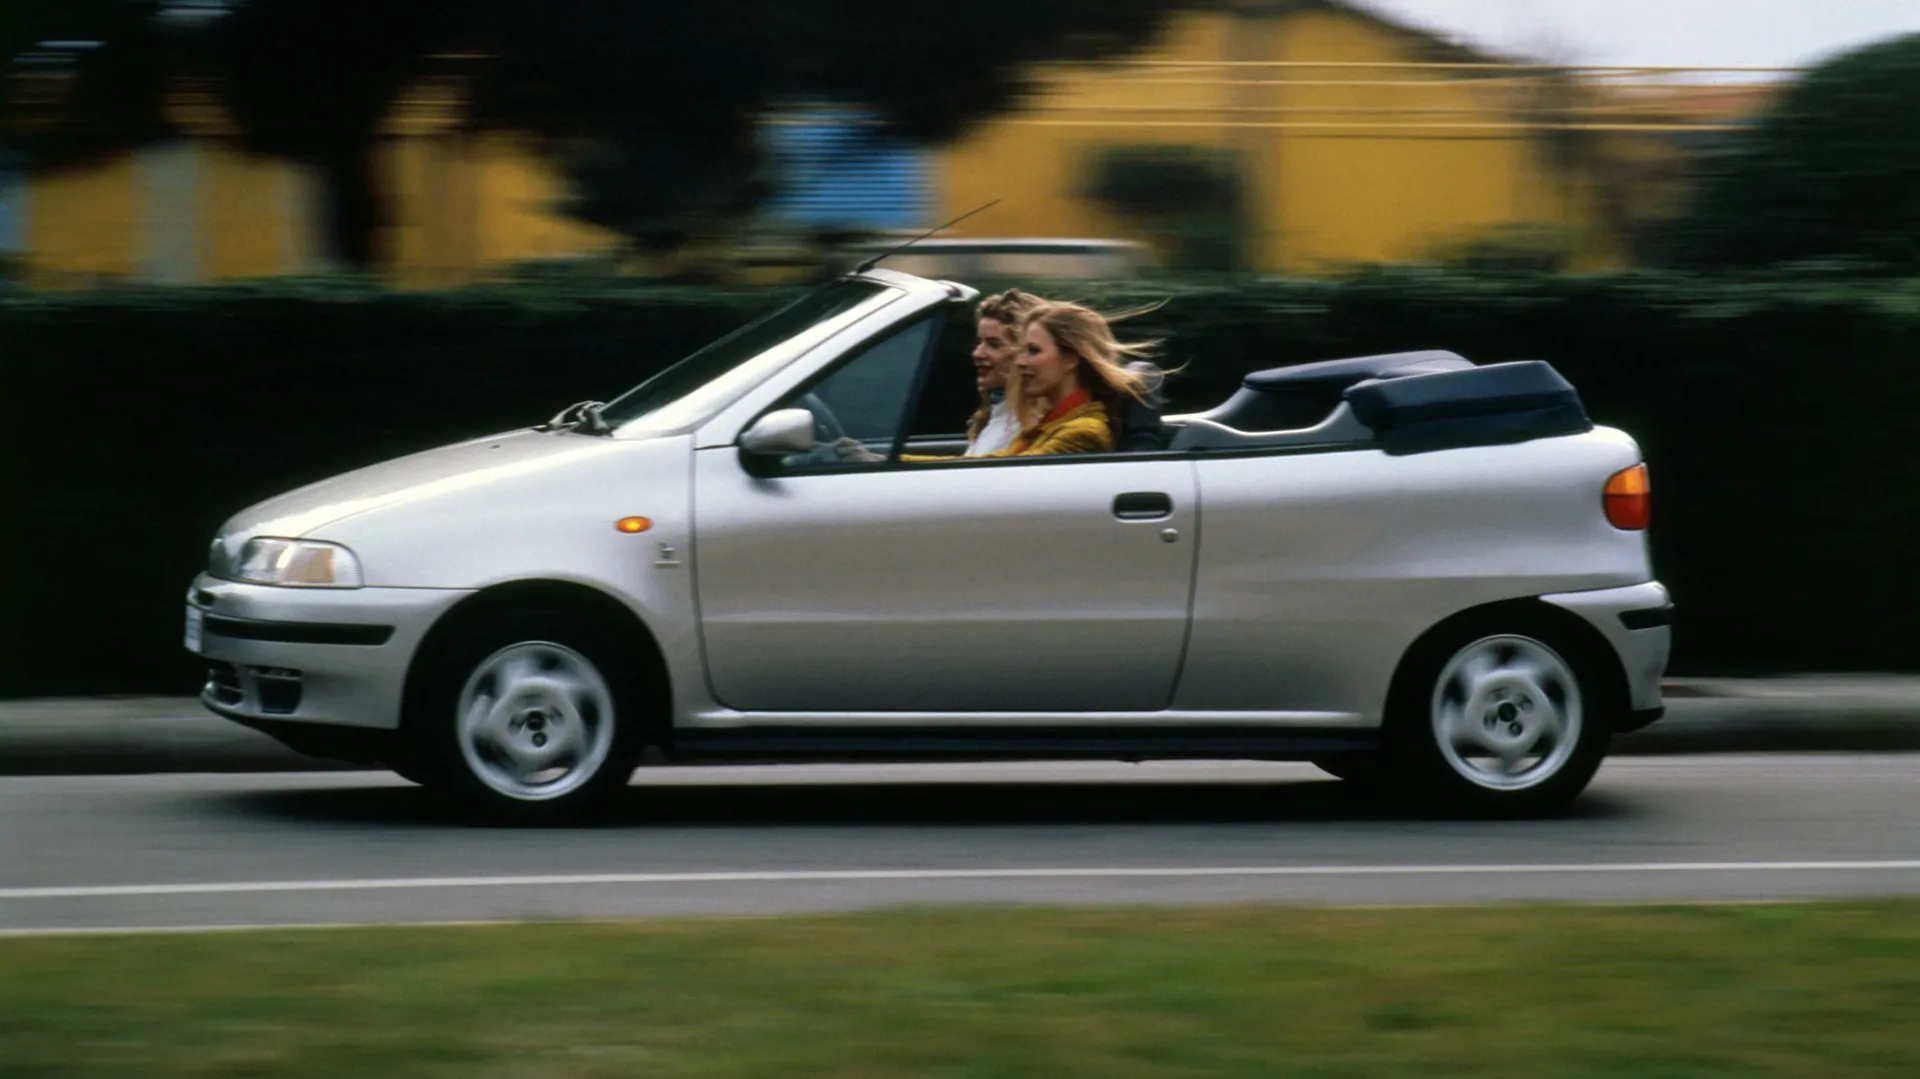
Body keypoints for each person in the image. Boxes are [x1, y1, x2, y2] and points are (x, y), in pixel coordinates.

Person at [834, 288, 1047, 463]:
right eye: (979, 342)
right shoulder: (1002, 414)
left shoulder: (1027, 426)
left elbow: (971, 476)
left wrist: (884, 462)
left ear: (1026, 354)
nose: (977, 354)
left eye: (993, 344)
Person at [983, 301, 1161, 457]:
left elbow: (1009, 469)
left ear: (1070, 359)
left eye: (1033, 351)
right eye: (1022, 351)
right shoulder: (1049, 423)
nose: (1020, 362)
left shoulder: (1084, 432)